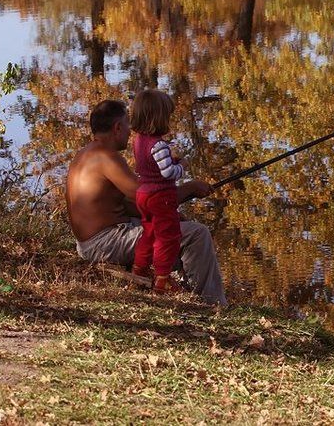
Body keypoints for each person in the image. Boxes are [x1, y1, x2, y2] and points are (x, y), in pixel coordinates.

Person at [66, 99, 228, 306]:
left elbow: (133, 204)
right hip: (102, 243)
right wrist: (191, 188)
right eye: (127, 125)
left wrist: (173, 212)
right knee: (197, 234)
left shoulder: (86, 154)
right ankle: (212, 303)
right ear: (117, 128)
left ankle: (186, 289)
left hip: (95, 240)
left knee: (177, 225)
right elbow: (151, 198)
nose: (130, 130)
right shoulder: (107, 158)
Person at [129, 89, 187, 292]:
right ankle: (163, 278)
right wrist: (181, 166)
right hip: (160, 196)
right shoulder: (159, 145)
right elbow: (167, 172)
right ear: (159, 118)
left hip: (143, 194)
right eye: (168, 116)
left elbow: (151, 166)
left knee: (149, 233)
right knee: (168, 236)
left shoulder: (138, 141)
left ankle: (139, 270)